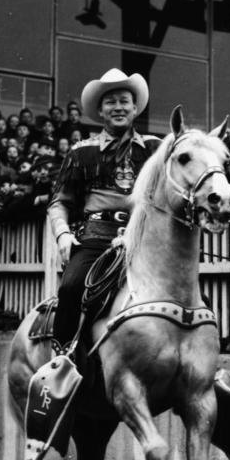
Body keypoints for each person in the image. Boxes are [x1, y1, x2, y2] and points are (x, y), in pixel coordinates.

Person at [48, 68, 160, 357]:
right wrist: (62, 234)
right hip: (96, 237)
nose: (118, 107)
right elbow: (59, 201)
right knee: (71, 288)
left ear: (135, 108)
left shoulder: (154, 149)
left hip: (144, 239)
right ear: (100, 110)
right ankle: (61, 364)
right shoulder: (80, 152)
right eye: (111, 102)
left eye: (125, 101)